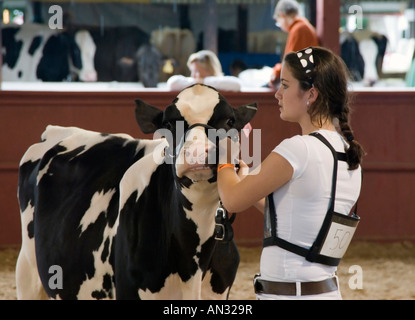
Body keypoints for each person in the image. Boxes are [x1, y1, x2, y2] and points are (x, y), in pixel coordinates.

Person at [217, 47, 364, 300]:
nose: (277, 94)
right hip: (324, 292)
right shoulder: (349, 153)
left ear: (311, 94)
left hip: (288, 295)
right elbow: (294, 215)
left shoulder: (298, 148)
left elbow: (230, 200)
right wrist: (245, 179)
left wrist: (224, 157)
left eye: (285, 85)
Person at [269, 0, 319, 88]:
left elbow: (291, 62)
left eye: (278, 22)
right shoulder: (301, 27)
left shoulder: (300, 29)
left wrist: (275, 73)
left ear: (282, 16)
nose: (280, 26)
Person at [167, 50, 242, 92]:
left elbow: (236, 84)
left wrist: (202, 82)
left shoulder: (223, 83)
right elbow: (173, 82)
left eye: (196, 71)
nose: (193, 76)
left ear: (209, 70)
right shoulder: (193, 83)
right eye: (192, 71)